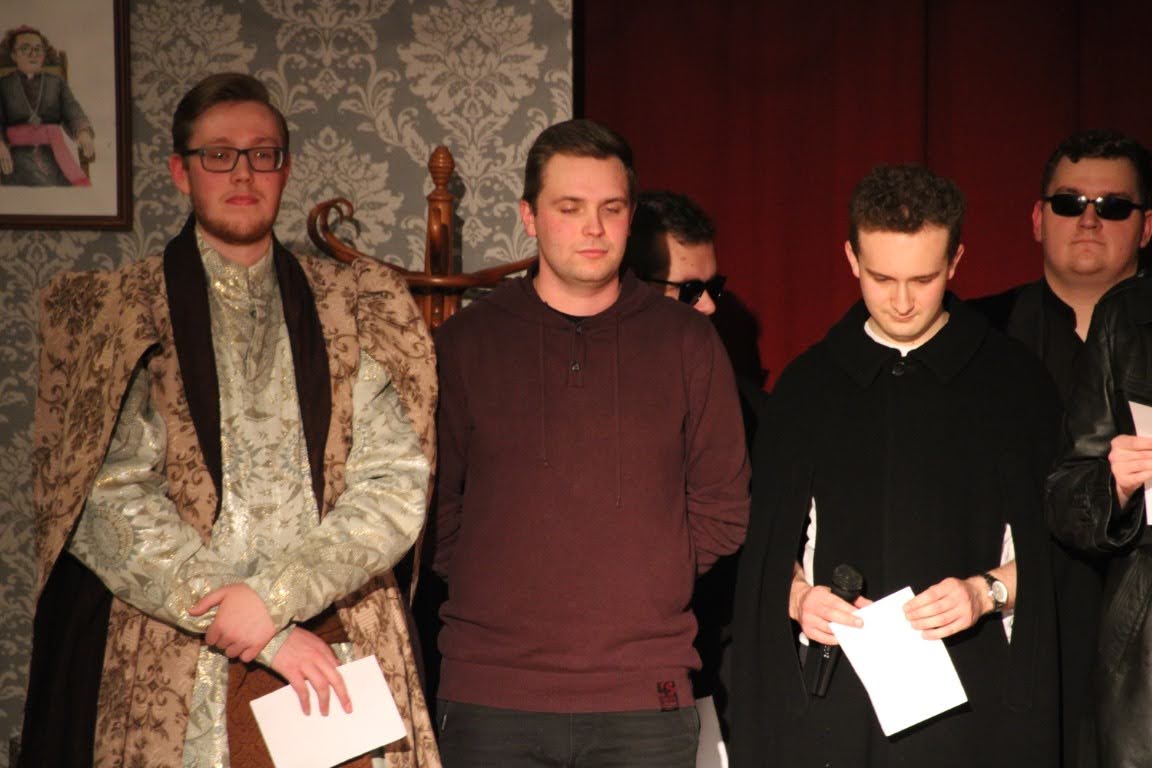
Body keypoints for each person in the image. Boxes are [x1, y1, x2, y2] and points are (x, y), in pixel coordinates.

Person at [18, 72, 439, 767]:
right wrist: (257, 629)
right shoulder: (119, 310)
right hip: (169, 653)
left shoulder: (355, 304)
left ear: (285, 168)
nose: (242, 173)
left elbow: (393, 483)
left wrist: (276, 597)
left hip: (335, 632)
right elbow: (107, 498)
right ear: (180, 171)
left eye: (262, 154)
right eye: (218, 154)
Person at [432, 119, 750, 767]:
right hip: (492, 694)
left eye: (611, 208)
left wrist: (647, 576)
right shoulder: (466, 342)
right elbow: (432, 508)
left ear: (631, 217)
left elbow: (722, 507)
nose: (593, 228)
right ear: (529, 216)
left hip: (644, 694)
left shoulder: (687, 342)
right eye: (570, 208)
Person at [731, 165, 1061, 767]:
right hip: (834, 707)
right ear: (851, 258)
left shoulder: (1014, 383)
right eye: (882, 278)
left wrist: (986, 592)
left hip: (974, 708)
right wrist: (800, 599)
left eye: (923, 279)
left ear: (956, 261)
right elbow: (763, 556)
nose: (903, 302)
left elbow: (1061, 556)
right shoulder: (808, 386)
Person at [971, 129, 1152, 768]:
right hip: (1002, 631)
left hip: (1135, 644)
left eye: (1114, 206)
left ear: (1147, 227)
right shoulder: (973, 333)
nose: (1090, 220)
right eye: (1070, 203)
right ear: (1037, 218)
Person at [0, 26, 94, 186]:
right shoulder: (4, 85)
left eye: (38, 49)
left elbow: (72, 109)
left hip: (55, 154)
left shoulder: (56, 83)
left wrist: (83, 131)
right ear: (14, 55)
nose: (33, 54)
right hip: (14, 155)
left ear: (44, 54)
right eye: (25, 48)